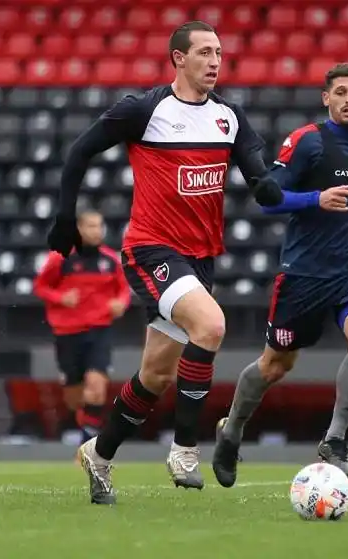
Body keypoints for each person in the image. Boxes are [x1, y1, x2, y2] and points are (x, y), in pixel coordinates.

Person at [47, 21, 283, 505]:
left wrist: (271, 185)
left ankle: (100, 453)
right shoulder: (145, 110)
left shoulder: (229, 117)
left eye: (219, 51)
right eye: (203, 52)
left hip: (201, 259)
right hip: (151, 250)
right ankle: (185, 448)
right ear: (178, 58)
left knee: (155, 375)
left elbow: (260, 173)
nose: (215, 61)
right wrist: (64, 218)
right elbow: (79, 151)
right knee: (212, 326)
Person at [211, 63, 348, 488]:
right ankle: (232, 430)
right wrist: (316, 198)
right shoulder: (307, 141)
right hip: (305, 275)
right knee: (276, 365)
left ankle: (334, 440)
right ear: (326, 98)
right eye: (341, 92)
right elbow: (270, 198)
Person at [33, 211, 130, 444]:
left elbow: (124, 290)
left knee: (97, 386)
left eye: (99, 226)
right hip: (68, 332)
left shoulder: (110, 260)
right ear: (79, 230)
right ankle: (82, 422)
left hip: (99, 330)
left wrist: (121, 303)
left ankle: (89, 442)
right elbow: (40, 287)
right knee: (74, 396)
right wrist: (61, 297)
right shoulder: (61, 258)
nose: (97, 231)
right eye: (91, 226)